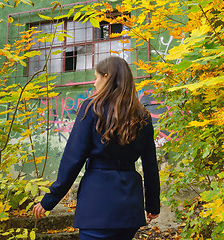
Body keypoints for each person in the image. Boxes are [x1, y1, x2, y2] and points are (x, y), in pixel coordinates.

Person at [32, 56, 160, 240]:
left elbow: (72, 160)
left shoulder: (92, 109)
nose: (94, 82)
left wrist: (49, 200)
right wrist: (153, 205)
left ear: (106, 77)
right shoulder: (143, 116)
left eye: (96, 77)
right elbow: (150, 165)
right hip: (129, 207)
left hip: (97, 206)